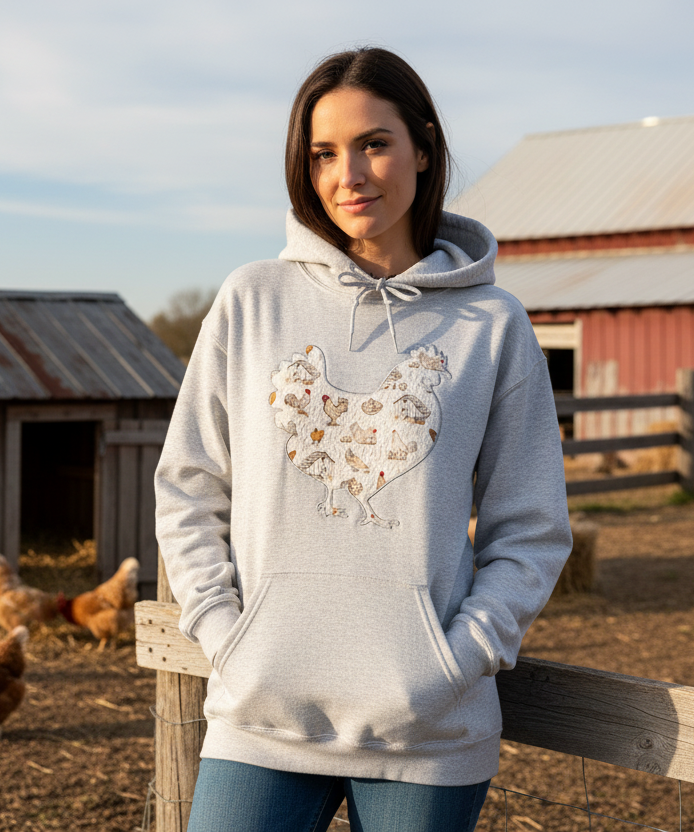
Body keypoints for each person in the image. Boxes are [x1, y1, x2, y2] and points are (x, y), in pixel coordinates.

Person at [154, 46, 572, 832]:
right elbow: (190, 483)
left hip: (428, 732)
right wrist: (225, 635)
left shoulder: (493, 325)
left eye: (374, 144)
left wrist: (455, 660)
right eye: (324, 153)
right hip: (259, 717)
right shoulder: (252, 300)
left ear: (424, 147)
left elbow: (532, 527)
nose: (349, 175)